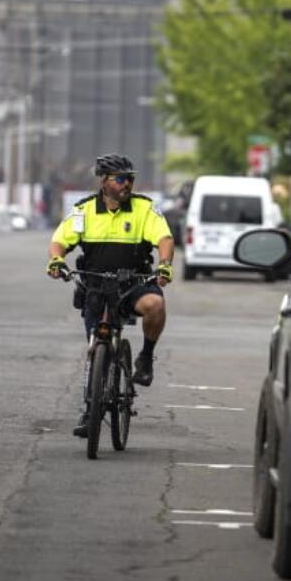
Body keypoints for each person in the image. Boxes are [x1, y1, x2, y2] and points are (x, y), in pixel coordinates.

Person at [46, 153, 175, 437]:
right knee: (96, 350)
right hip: (95, 286)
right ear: (103, 182)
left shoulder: (143, 209)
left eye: (131, 178)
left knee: (155, 304)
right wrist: (56, 261)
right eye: (121, 179)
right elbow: (59, 241)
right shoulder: (84, 211)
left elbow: (164, 239)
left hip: (133, 283)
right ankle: (90, 409)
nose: (127, 184)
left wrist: (164, 265)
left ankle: (145, 357)